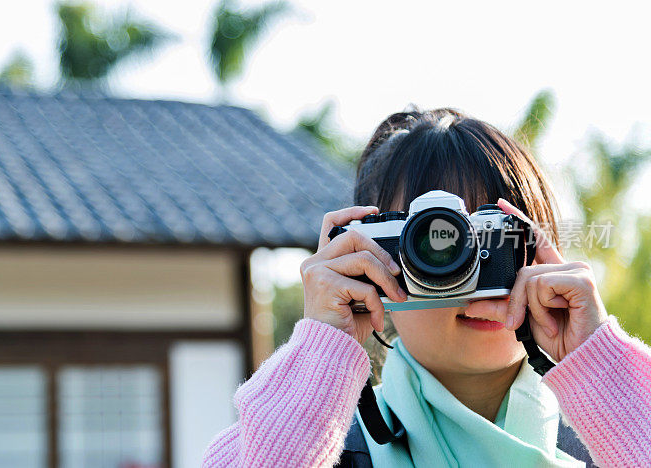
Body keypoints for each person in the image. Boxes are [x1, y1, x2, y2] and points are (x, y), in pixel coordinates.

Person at [201, 108, 651, 467]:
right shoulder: (319, 445)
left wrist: (602, 366)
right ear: (373, 263)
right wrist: (320, 352)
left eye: (494, 238)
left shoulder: (609, 443)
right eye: (437, 243)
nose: (469, 269)